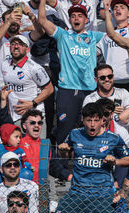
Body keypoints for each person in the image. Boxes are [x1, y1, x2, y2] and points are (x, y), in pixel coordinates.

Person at [49, 102, 129, 213]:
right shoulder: (74, 134)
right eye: (89, 120)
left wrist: (115, 161)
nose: (92, 124)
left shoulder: (113, 138)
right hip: (77, 194)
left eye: (96, 120)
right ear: (83, 120)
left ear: (103, 120)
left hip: (102, 197)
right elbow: (66, 153)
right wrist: (63, 151)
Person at [35, 1, 104, 144]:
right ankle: (61, 165)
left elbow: (113, 36)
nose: (76, 18)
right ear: (69, 19)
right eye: (73, 16)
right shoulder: (63, 35)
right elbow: (42, 20)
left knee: (91, 131)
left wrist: (108, 14)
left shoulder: (94, 36)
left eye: (80, 15)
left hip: (89, 91)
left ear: (86, 20)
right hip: (67, 90)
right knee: (64, 132)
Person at [0, 34, 53, 126]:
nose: (16, 46)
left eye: (20, 44)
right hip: (14, 117)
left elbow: (49, 89)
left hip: (35, 118)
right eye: (13, 43)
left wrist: (32, 104)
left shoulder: (35, 68)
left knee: (37, 141)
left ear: (27, 49)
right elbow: (7, 90)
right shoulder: (4, 65)